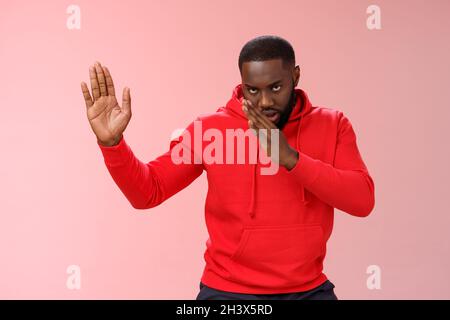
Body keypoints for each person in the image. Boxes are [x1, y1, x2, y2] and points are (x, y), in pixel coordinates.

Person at [80, 35, 375, 300]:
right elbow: (148, 192)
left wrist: (291, 159)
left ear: (295, 76)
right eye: (253, 90)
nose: (265, 101)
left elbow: (362, 201)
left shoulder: (332, 124)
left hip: (308, 291)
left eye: (276, 87)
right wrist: (113, 144)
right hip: (228, 294)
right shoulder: (211, 130)